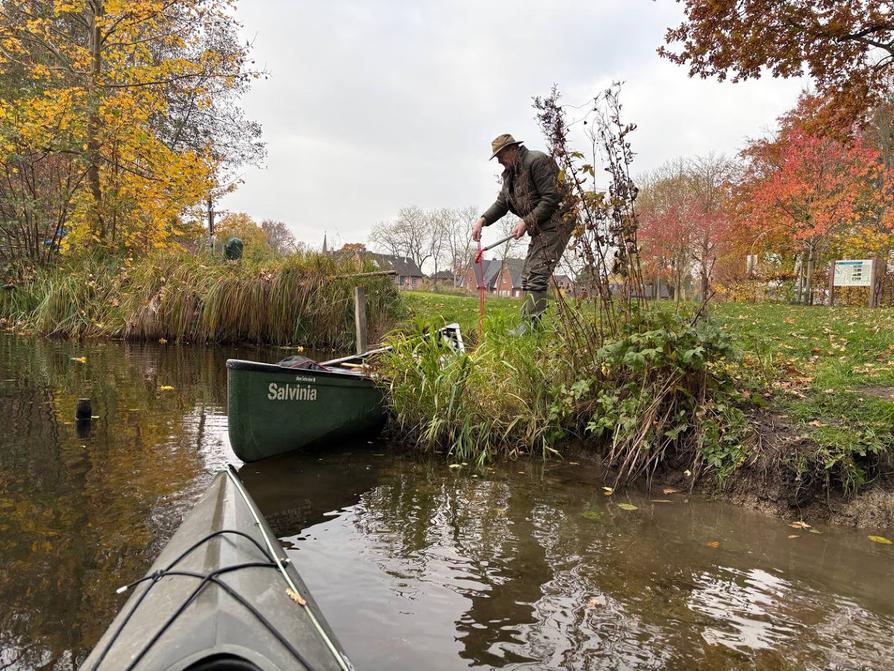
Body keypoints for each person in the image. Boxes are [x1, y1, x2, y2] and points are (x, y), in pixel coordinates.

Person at [472, 133, 572, 334]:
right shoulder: (511, 174)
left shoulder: (537, 161)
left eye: (501, 156)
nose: (499, 161)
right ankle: (530, 325)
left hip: (558, 221)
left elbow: (552, 197)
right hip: (541, 225)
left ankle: (530, 328)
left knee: (537, 273)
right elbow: (503, 203)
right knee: (528, 274)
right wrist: (483, 220)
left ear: (513, 149)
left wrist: (526, 221)